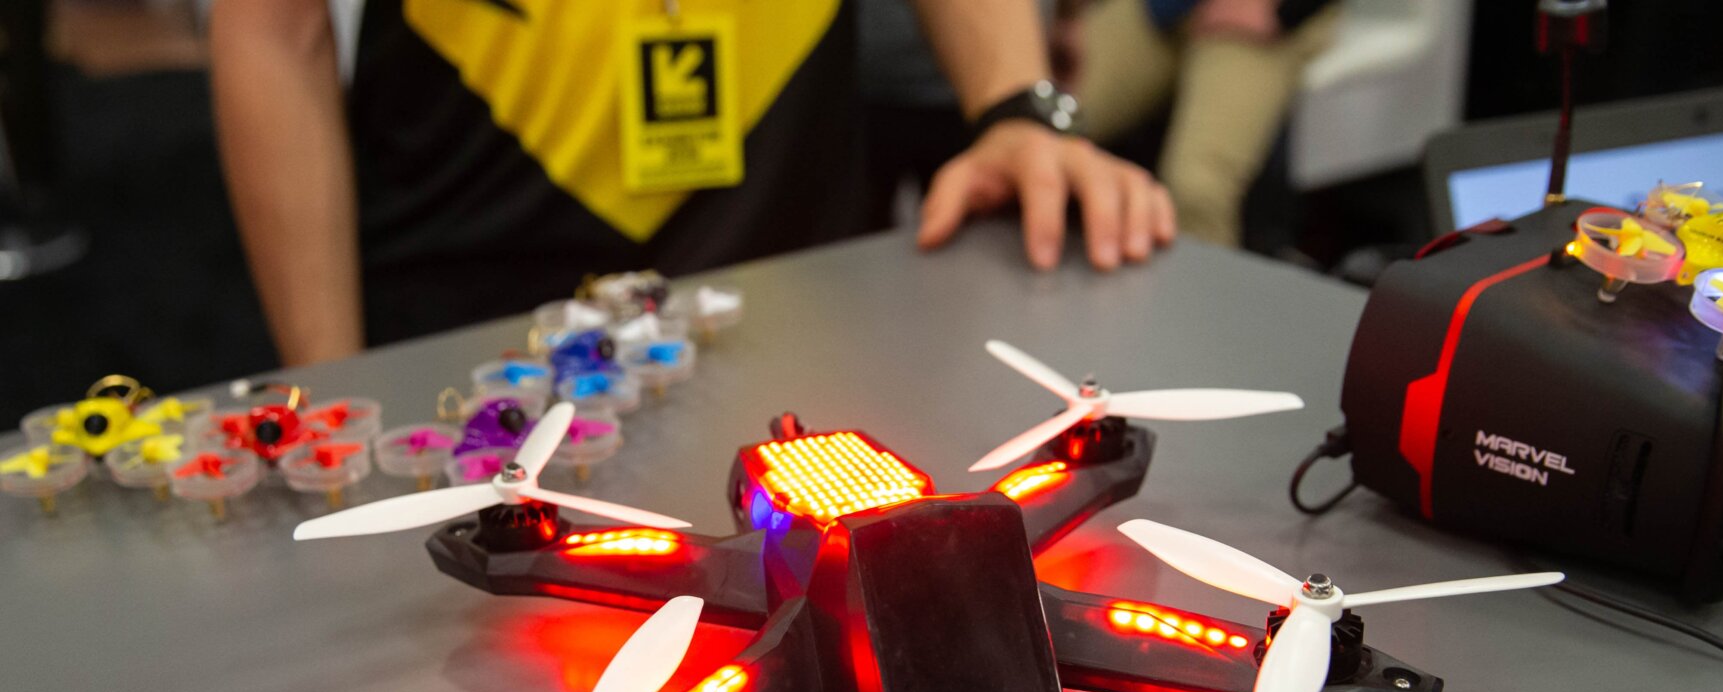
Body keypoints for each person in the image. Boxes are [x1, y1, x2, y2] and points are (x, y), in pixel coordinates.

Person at [208, 0, 1175, 367]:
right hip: (470, 314)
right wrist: (332, 379)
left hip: (793, 295)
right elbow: (272, 27)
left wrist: (1014, 106)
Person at [1069, 0, 1340, 248]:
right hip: (1155, 8)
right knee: (1051, 127)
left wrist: (1287, 13)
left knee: (1197, 190)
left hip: (1258, 12)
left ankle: (1198, 285)